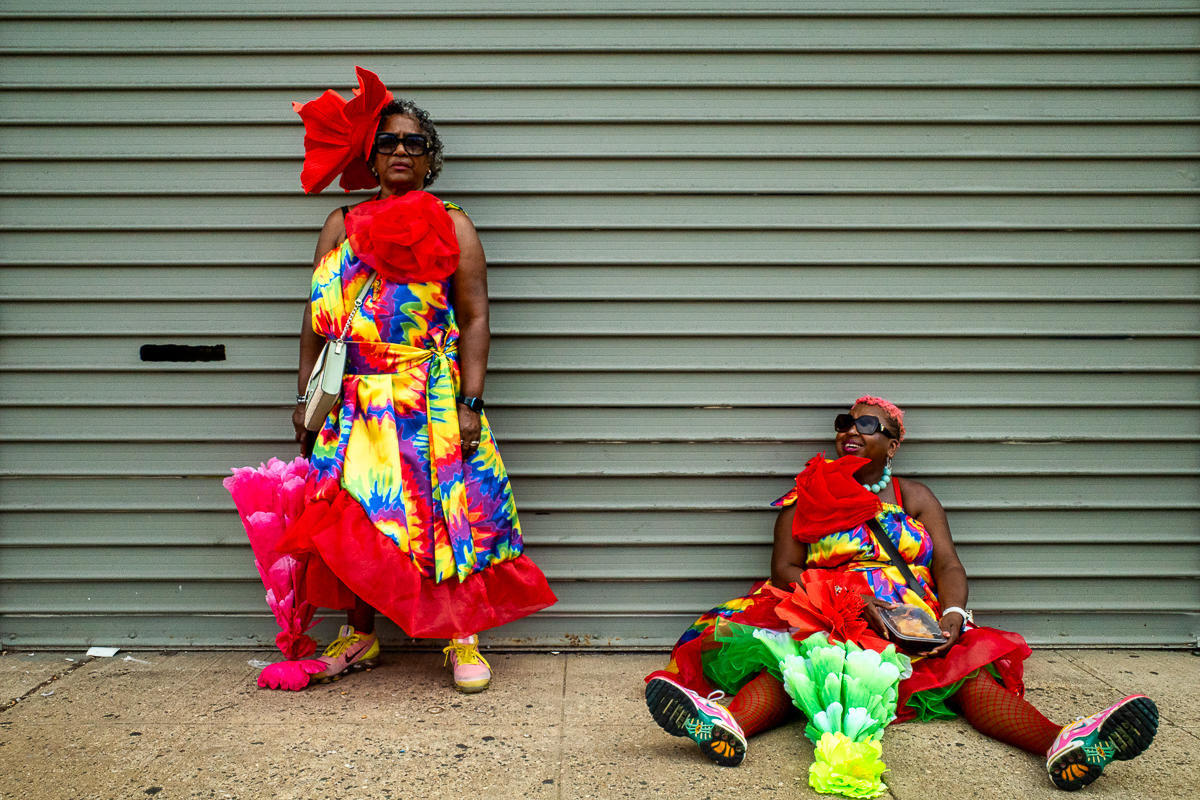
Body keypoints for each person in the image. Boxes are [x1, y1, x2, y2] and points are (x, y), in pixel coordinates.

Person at [644, 396, 1158, 791]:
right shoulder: (810, 492)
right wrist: (846, 601)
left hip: (909, 618)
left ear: (892, 444)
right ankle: (722, 724)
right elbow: (783, 570)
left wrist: (953, 616)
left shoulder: (914, 496)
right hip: (822, 606)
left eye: (869, 425)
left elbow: (949, 564)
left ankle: (1065, 745)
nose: (852, 430)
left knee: (965, 680)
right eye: (846, 422)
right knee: (790, 666)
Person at [251, 67, 555, 692]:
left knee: (448, 517)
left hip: (430, 399)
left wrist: (471, 402)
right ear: (370, 156)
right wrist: (305, 393)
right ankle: (358, 635)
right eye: (387, 141)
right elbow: (315, 317)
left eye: (413, 143)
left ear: (430, 160)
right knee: (356, 517)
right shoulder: (339, 225)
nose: (398, 151)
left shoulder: (453, 224)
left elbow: (474, 318)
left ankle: (459, 635)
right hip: (353, 401)